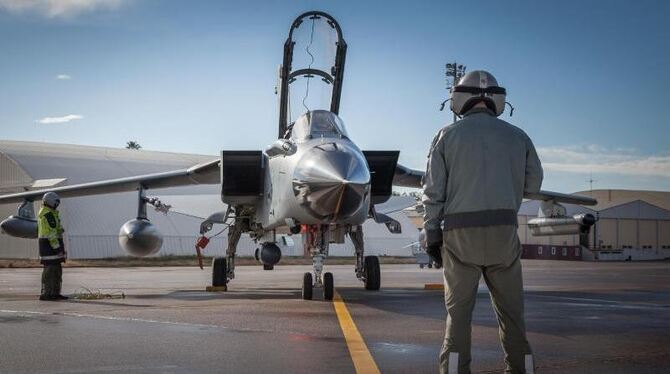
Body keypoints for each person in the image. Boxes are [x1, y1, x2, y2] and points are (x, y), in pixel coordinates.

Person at [422, 70, 543, 374]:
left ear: (459, 99)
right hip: (504, 236)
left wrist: (432, 233)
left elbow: (433, 191)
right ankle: (522, 369)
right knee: (513, 316)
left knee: (458, 316)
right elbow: (533, 186)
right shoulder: (519, 136)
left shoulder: (446, 136)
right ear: (497, 101)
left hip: (460, 238)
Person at [37, 192, 68, 301]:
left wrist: (60, 229)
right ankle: (47, 294)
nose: (57, 205)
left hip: (52, 249)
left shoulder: (51, 213)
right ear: (51, 202)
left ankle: (55, 293)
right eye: (56, 203)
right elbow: (51, 235)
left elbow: (55, 229)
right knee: (50, 272)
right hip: (50, 249)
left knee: (56, 271)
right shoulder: (48, 215)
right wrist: (58, 249)